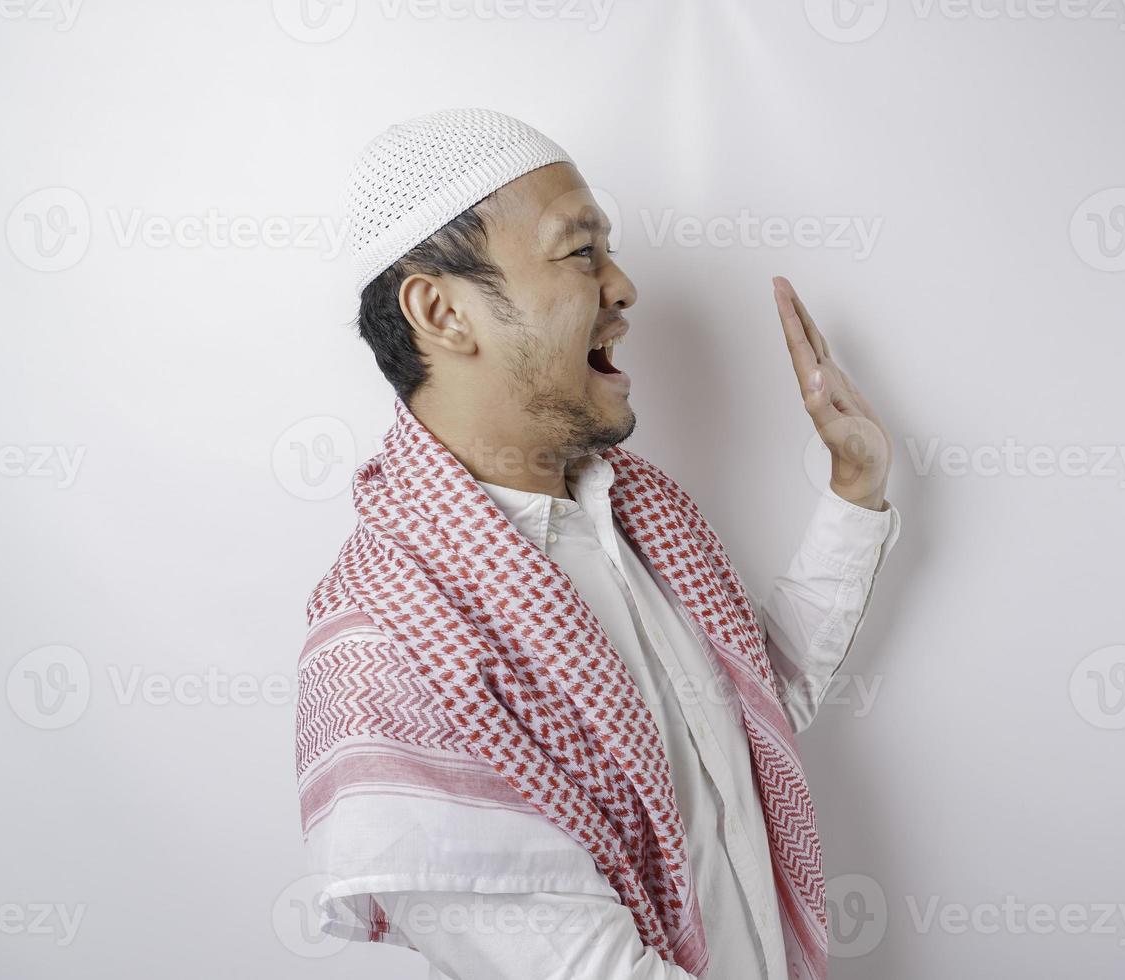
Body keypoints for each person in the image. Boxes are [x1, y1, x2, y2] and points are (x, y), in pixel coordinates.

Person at [293, 107, 901, 980]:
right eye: (580, 251)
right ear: (441, 310)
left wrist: (854, 487)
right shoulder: (387, 645)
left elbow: (753, 705)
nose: (623, 287)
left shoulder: (637, 517)